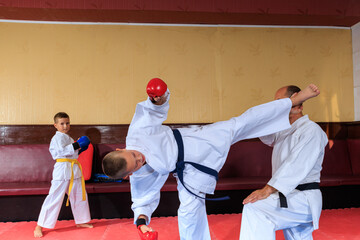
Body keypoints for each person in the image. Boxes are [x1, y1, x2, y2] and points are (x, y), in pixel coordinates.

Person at [102, 78, 320, 240]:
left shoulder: (137, 133)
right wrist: (142, 224)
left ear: (122, 148)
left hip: (196, 140)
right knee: (188, 211)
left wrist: (157, 99)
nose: (139, 158)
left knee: (240, 124)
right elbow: (142, 200)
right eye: (136, 164)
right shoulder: (141, 174)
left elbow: (152, 112)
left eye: (133, 154)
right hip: (190, 172)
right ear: (131, 173)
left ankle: (296, 99)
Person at [239, 85, 328, 240]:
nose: (278, 107)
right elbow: (263, 131)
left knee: (256, 209)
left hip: (302, 198)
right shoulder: (283, 131)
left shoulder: (311, 130)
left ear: (298, 105)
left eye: (281, 102)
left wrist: (267, 190)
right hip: (289, 195)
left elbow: (295, 166)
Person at [34, 112, 93, 238]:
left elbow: (72, 153)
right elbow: (60, 152)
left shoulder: (69, 138)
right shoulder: (57, 138)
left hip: (73, 169)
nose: (65, 126)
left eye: (67, 123)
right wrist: (77, 145)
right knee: (54, 198)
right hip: (62, 170)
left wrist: (80, 149)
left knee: (79, 195)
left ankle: (81, 221)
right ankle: (39, 225)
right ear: (55, 125)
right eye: (62, 123)